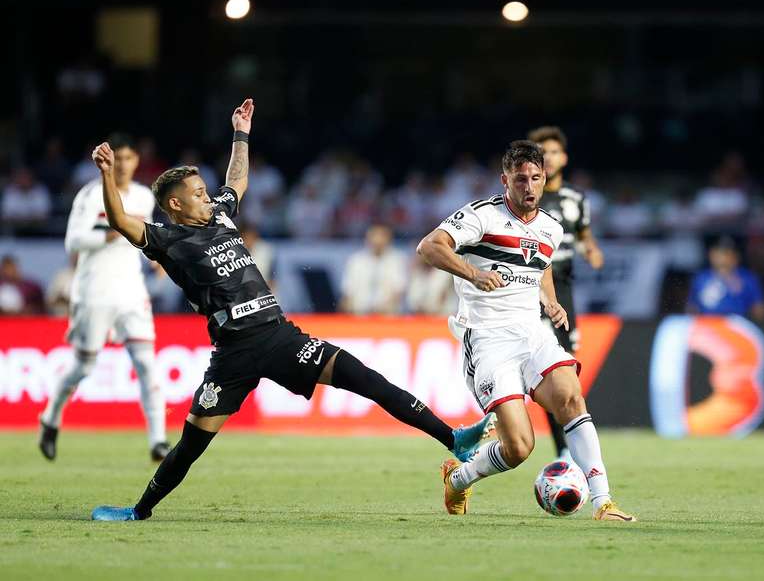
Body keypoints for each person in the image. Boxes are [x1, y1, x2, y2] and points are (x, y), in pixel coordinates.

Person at [89, 99, 490, 522]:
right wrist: (106, 176)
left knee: (368, 380)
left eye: (207, 192)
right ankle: (139, 511)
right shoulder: (166, 239)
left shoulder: (221, 217)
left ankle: (454, 439)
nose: (209, 198)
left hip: (281, 335)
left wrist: (241, 133)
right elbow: (119, 219)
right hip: (235, 353)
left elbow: (236, 180)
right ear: (175, 206)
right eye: (198, 195)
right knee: (190, 446)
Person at [417, 140, 635, 522]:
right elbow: (429, 247)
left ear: (544, 177)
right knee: (519, 447)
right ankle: (458, 477)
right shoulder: (481, 216)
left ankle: (603, 502)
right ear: (506, 180)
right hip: (487, 337)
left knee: (571, 398)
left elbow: (540, 266)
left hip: (533, 332)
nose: (529, 187)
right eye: (521, 179)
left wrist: (550, 302)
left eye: (536, 178)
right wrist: (473, 273)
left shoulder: (550, 227)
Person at [38, 133, 169, 462]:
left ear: (137, 161)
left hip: (130, 291)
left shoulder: (142, 196)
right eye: (118, 159)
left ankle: (158, 440)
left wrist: (157, 259)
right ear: (108, 162)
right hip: (94, 290)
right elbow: (73, 242)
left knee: (147, 364)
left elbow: (145, 239)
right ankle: (50, 418)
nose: (123, 165)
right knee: (84, 366)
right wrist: (113, 231)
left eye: (129, 159)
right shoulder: (90, 195)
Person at [526, 126, 604, 462]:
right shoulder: (527, 196)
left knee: (565, 371)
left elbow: (584, 233)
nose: (551, 158)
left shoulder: (576, 199)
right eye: (544, 152)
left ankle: (566, 450)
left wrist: (591, 249)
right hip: (529, 290)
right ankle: (561, 449)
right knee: (540, 369)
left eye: (555, 152)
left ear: (564, 158)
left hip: (564, 292)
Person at [687, 236, 764, 321]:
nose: (722, 258)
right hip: (707, 325)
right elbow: (692, 308)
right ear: (711, 255)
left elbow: (761, 312)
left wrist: (740, 291)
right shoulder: (701, 277)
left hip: (736, 324)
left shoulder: (747, 278)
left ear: (736, 257)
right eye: (718, 253)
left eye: (727, 253)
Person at [339, 223, 406, 315]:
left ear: (389, 239)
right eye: (374, 236)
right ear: (367, 239)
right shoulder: (356, 261)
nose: (377, 240)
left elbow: (399, 291)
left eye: (382, 236)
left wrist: (382, 309)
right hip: (359, 316)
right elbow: (348, 292)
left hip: (388, 317)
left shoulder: (397, 260)